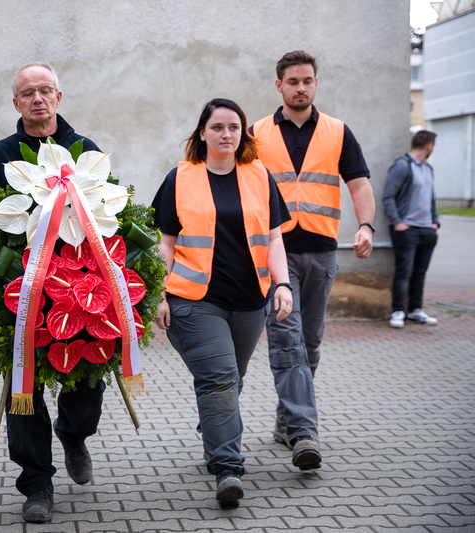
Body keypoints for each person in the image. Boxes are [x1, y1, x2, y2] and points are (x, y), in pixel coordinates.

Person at [0, 62, 103, 523]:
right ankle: (37, 485)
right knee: (23, 391)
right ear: (16, 103)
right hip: (19, 293)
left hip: (80, 291)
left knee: (87, 384)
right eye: (28, 93)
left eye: (45, 91)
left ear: (58, 98)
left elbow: (108, 214)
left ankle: (73, 432)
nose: (38, 99)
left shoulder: (85, 151)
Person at [153, 98, 293, 508]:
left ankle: (213, 426)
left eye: (234, 126)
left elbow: (274, 238)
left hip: (251, 301)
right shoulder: (180, 178)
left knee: (232, 380)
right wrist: (158, 293)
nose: (226, 134)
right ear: (202, 134)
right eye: (217, 127)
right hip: (194, 302)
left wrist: (282, 284)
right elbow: (166, 243)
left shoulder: (259, 175)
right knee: (219, 379)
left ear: (243, 133)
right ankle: (227, 467)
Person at [251, 50, 376, 470]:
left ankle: (287, 420)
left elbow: (358, 185)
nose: (300, 87)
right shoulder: (257, 133)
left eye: (307, 81)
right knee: (286, 339)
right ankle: (304, 432)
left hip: (322, 252)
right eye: (292, 81)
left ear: (315, 83)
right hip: (275, 253)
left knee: (310, 342)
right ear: (279, 86)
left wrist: (366, 226)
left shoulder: (339, 132)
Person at [383, 130, 440, 328]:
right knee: (403, 272)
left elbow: (431, 198)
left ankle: (416, 310)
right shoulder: (402, 166)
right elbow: (388, 196)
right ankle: (398, 311)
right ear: (429, 147)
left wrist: (435, 222)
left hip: (427, 231)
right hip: (407, 230)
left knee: (419, 273)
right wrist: (397, 222)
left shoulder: (428, 169)